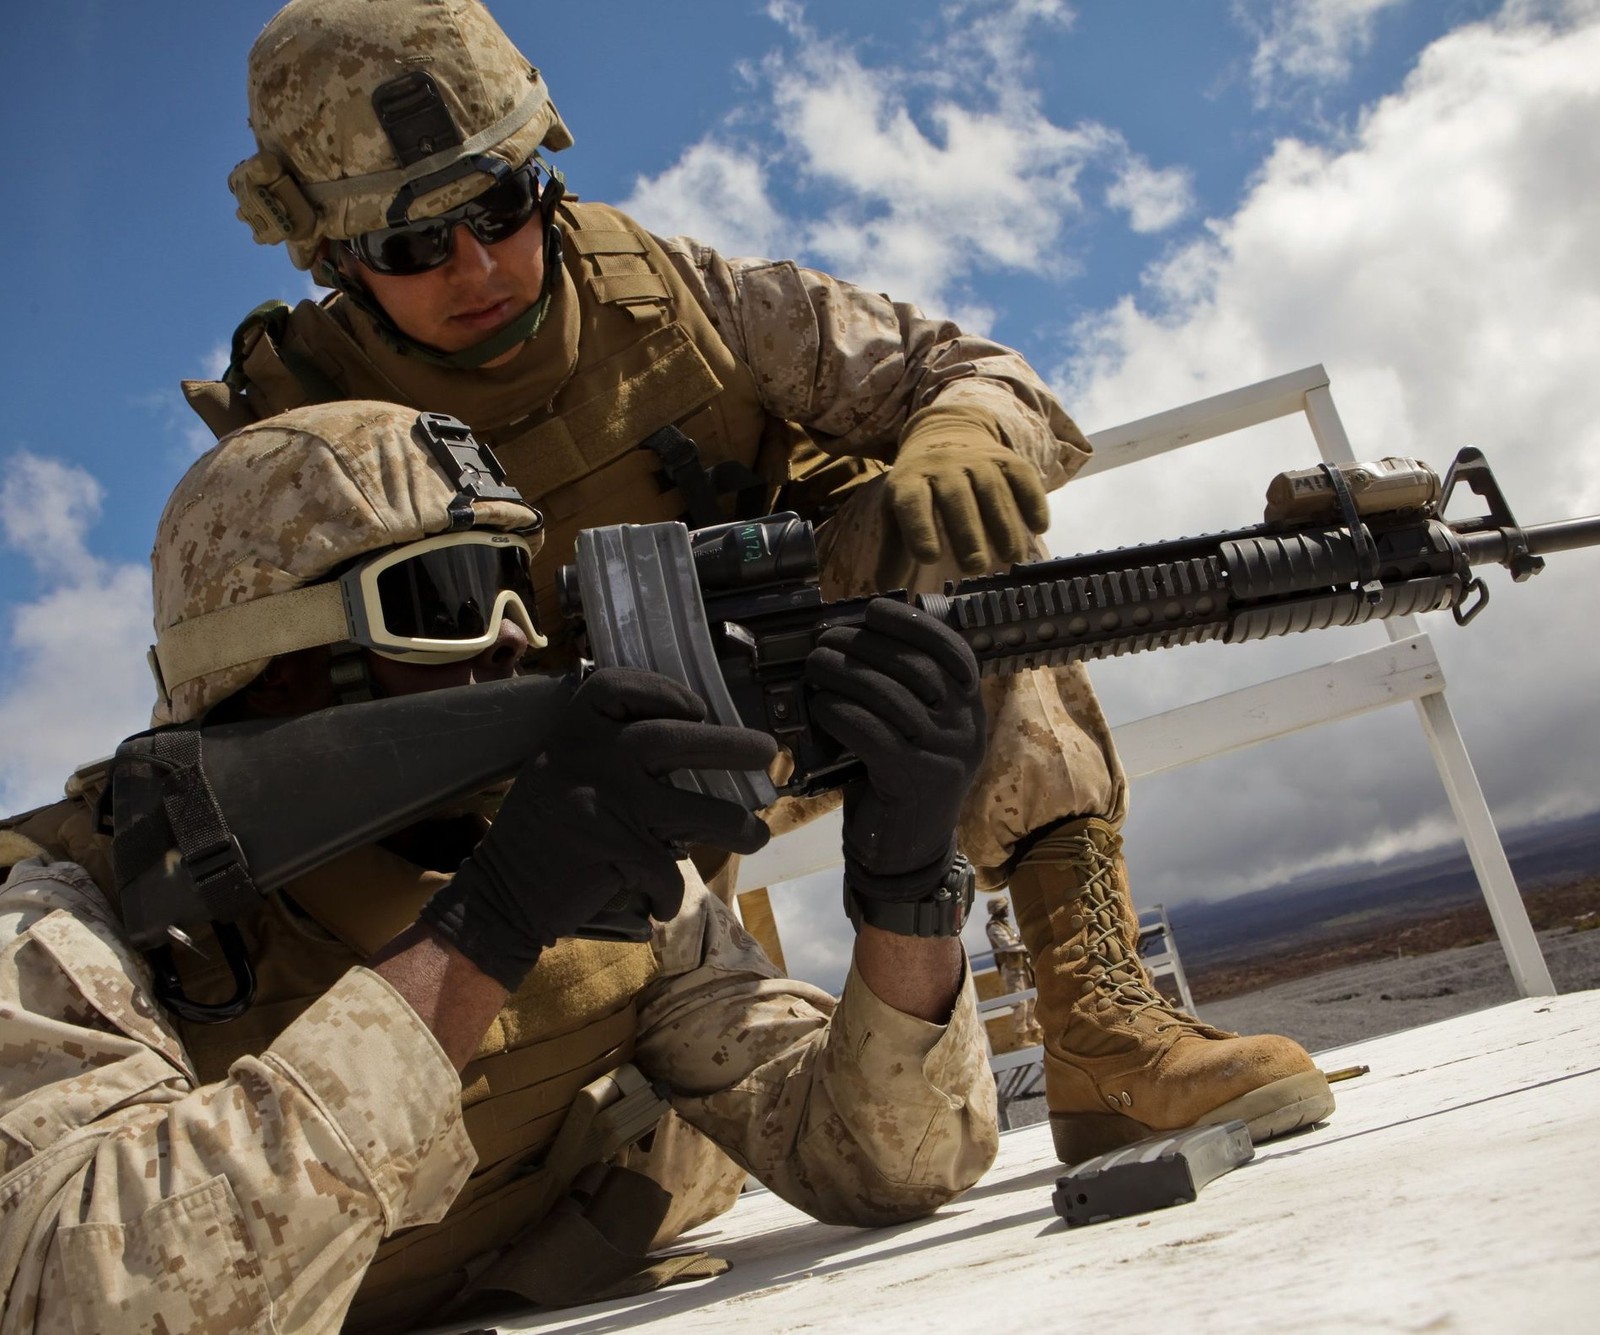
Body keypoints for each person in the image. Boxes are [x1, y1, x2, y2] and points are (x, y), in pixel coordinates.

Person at [186, 0, 1334, 1167]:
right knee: (636, 1167)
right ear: (331, 256)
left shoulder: (678, 297)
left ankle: (1098, 1029)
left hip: (798, 691)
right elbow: (260, 743)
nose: (477, 267)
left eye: (497, 208)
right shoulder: (299, 437)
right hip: (539, 828)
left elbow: (968, 370)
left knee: (954, 552)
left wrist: (964, 442)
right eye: (410, 244)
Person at [0, 402, 999, 1333]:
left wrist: (906, 888)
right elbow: (88, 1301)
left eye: (511, 589)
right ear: (273, 660)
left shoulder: (587, 854)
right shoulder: (68, 917)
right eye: (446, 598)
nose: (515, 636)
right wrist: (483, 931)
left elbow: (891, 1162)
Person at [986, 896, 1044, 1048]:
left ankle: (1035, 1031)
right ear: (998, 909)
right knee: (1020, 1003)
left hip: (1021, 966)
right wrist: (1026, 945)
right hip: (1011, 969)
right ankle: (1021, 1037)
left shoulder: (1005, 925)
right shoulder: (994, 927)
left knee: (1032, 999)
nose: (1007, 909)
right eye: (1004, 907)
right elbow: (1008, 946)